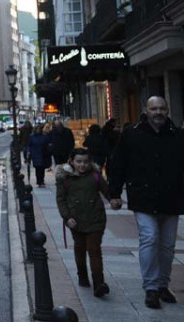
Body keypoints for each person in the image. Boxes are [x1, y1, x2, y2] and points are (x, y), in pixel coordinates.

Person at [109, 96, 184, 309]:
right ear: (146, 110)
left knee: (168, 246)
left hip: (172, 199)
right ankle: (150, 288)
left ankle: (162, 285)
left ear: (167, 110)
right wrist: (114, 193)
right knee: (150, 238)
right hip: (143, 198)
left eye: (162, 108)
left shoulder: (178, 135)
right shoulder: (131, 135)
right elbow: (117, 164)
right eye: (154, 109)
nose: (158, 112)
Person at [57, 149, 111, 297]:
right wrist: (67, 217)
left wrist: (113, 199)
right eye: (79, 161)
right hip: (76, 220)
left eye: (86, 162)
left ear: (90, 162)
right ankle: (82, 275)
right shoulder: (65, 178)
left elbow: (107, 191)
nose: (82, 165)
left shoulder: (95, 176)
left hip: (96, 218)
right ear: (72, 161)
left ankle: (99, 283)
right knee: (80, 249)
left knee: (94, 249)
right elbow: (61, 200)